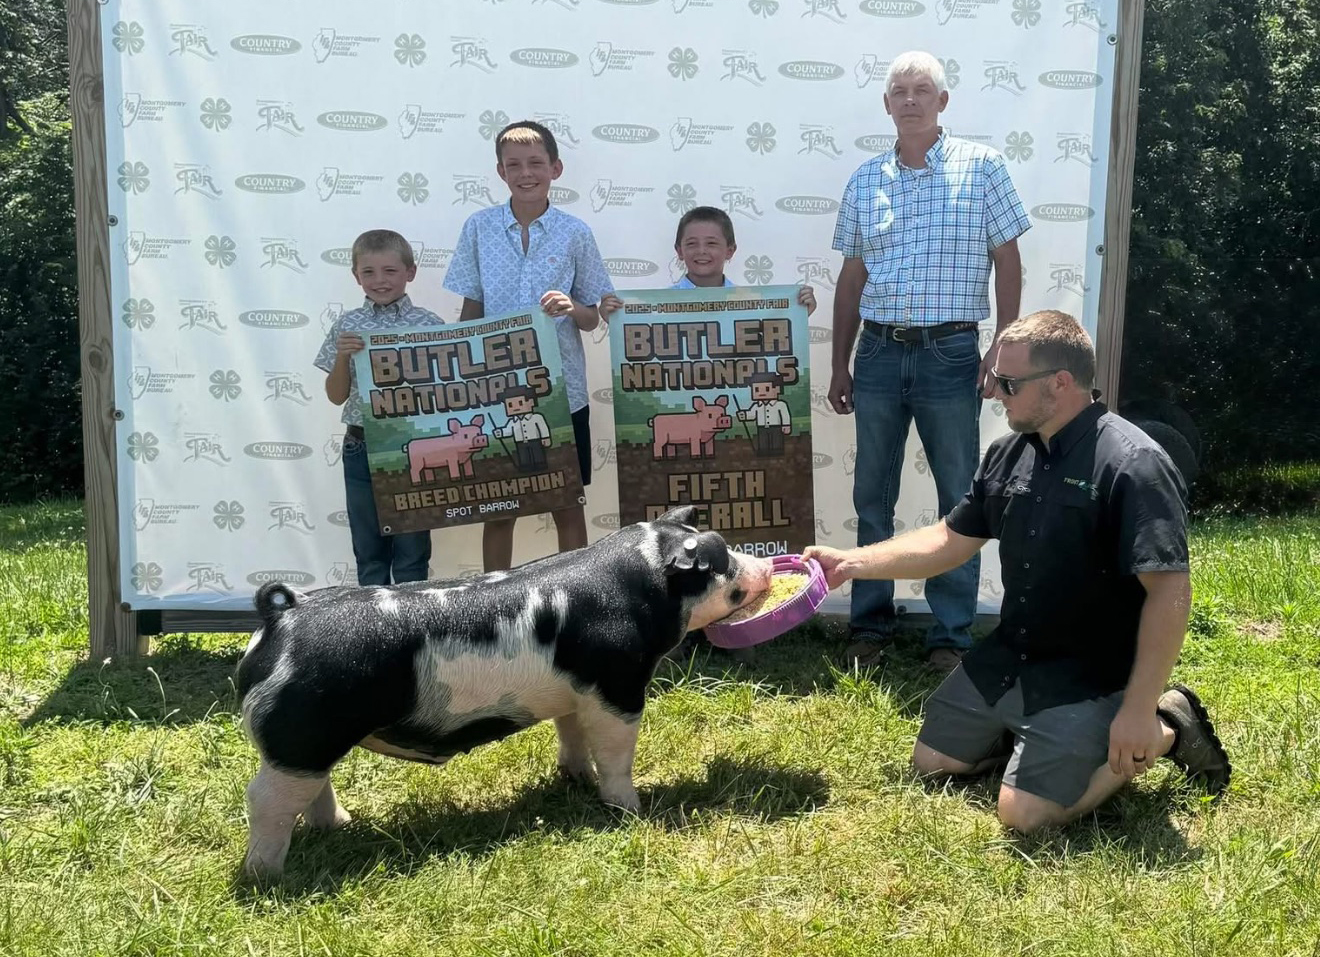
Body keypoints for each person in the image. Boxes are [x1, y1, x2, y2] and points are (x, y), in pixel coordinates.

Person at [805, 310, 1231, 832]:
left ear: (1061, 383)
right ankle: (1037, 739)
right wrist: (851, 563)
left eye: (1007, 382)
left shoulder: (1134, 464)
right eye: (994, 379)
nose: (993, 392)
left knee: (1024, 816)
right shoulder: (1007, 454)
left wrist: (1139, 712)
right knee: (934, 764)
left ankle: (1170, 723)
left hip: (1092, 674)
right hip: (1015, 652)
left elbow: (1169, 591)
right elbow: (947, 541)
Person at [828, 50, 1031, 673]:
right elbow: (852, 276)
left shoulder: (984, 167)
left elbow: (1008, 260)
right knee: (871, 497)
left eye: (922, 90)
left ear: (943, 101)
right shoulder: (866, 179)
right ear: (885, 104)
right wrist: (841, 362)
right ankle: (870, 626)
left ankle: (950, 635)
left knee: (958, 497)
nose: (910, 99)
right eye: (899, 91)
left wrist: (1000, 343)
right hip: (880, 352)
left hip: (950, 352)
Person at [443, 120, 621, 571]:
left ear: (556, 168)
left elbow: (592, 315)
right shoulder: (478, 228)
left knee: (567, 502)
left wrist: (571, 307)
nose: (526, 173)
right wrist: (461, 372)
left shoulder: (575, 232)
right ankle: (493, 603)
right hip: (495, 391)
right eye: (514, 165)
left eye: (536, 163)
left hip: (564, 392)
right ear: (500, 172)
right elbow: (472, 307)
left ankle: (578, 598)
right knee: (499, 506)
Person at [314, 229, 443, 586]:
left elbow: (445, 393)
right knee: (369, 554)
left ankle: (410, 636)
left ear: (410, 273)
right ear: (356, 276)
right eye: (368, 272)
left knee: (412, 553)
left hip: (412, 447)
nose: (379, 280)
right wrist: (342, 357)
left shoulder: (430, 325)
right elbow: (336, 395)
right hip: (361, 446)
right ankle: (373, 637)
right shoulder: (348, 325)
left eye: (390, 270)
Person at [671, 206, 817, 316]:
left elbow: (770, 341)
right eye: (691, 243)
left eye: (711, 243)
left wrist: (798, 314)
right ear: (679, 251)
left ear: (730, 251)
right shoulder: (657, 306)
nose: (701, 250)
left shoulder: (749, 303)